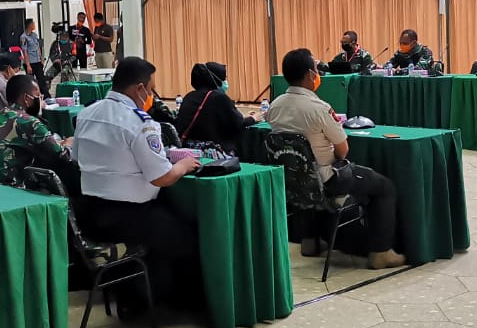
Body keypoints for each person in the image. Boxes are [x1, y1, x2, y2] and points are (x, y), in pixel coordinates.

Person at [71, 57, 202, 305]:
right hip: (130, 217)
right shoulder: (140, 123)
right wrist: (183, 165)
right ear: (139, 88)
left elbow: (76, 160)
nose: (151, 95)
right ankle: (179, 305)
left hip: (89, 215)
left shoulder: (87, 114)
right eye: (151, 90)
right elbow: (162, 177)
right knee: (190, 237)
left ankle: (136, 297)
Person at [267, 49, 405, 270]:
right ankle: (381, 252)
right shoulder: (319, 109)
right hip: (329, 180)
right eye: (316, 68)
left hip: (292, 181)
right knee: (384, 187)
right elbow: (343, 151)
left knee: (304, 172)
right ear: (310, 74)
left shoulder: (274, 107)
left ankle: (309, 242)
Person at [0, 73, 77, 190]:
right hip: (9, 190)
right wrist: (69, 143)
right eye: (38, 96)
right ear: (27, 99)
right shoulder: (27, 122)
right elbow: (62, 156)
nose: (40, 100)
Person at [172, 62, 255, 151]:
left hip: (187, 149)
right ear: (217, 79)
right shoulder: (219, 97)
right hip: (212, 152)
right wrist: (253, 119)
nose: (226, 81)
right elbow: (237, 124)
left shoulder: (189, 96)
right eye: (224, 78)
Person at [20, 19, 50, 96]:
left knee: (41, 80)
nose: (34, 25)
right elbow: (25, 52)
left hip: (37, 61)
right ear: (29, 25)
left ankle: (46, 96)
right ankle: (32, 96)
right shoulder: (23, 37)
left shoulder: (34, 35)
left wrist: (41, 58)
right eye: (33, 23)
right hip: (30, 62)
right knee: (30, 82)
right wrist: (28, 65)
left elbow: (38, 47)